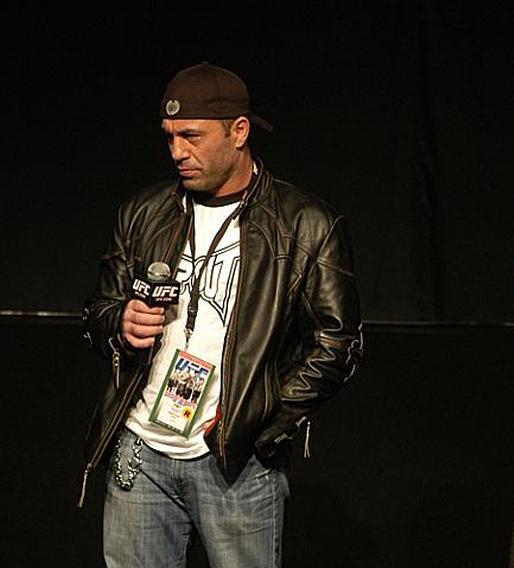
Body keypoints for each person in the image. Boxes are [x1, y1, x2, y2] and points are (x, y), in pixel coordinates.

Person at [80, 62, 363, 567]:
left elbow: (338, 344)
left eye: (191, 136)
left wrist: (261, 423)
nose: (177, 152)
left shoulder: (305, 223)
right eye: (169, 137)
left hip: (234, 460)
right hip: (140, 451)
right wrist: (119, 322)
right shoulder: (143, 211)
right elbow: (97, 311)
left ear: (239, 131)